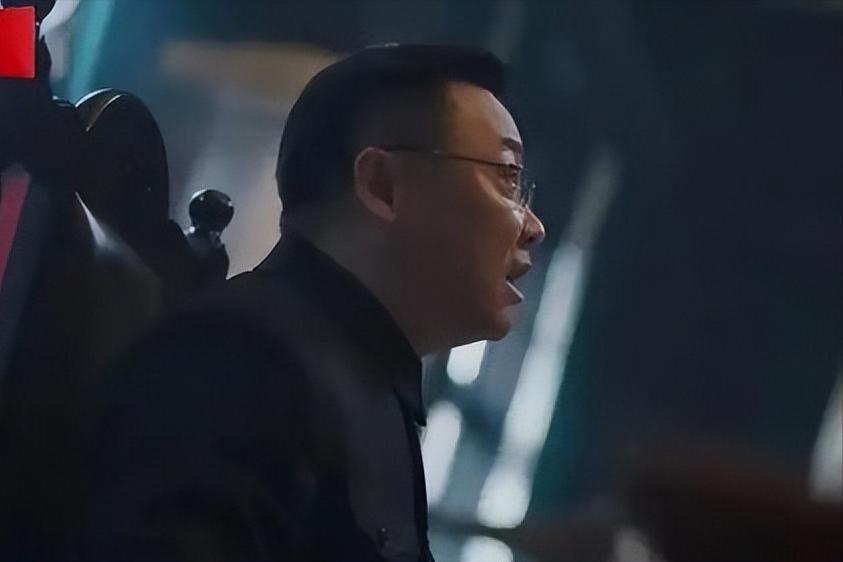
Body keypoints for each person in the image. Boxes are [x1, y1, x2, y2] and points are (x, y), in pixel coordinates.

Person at [79, 44, 545, 561]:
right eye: (508, 177)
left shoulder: (357, 381)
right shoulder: (244, 360)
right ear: (383, 186)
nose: (533, 227)